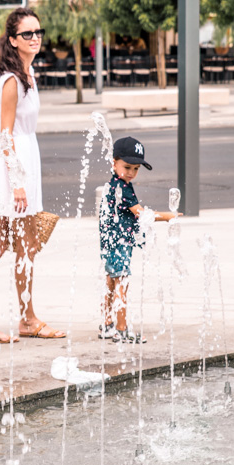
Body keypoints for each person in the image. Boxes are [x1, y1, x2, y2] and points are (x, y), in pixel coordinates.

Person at [0, 7, 66, 344]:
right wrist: (17, 182)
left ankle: (24, 318)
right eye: (27, 34)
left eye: (38, 32)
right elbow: (5, 134)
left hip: (21, 162)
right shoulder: (12, 79)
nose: (35, 38)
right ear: (13, 40)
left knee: (24, 246)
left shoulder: (25, 74)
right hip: (11, 167)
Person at [99, 135, 177, 344]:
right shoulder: (122, 188)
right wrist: (168, 216)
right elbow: (141, 214)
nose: (131, 173)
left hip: (110, 242)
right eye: (127, 167)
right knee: (122, 283)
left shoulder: (115, 184)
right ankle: (121, 330)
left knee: (111, 282)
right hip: (119, 242)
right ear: (113, 162)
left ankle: (107, 324)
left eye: (136, 169)